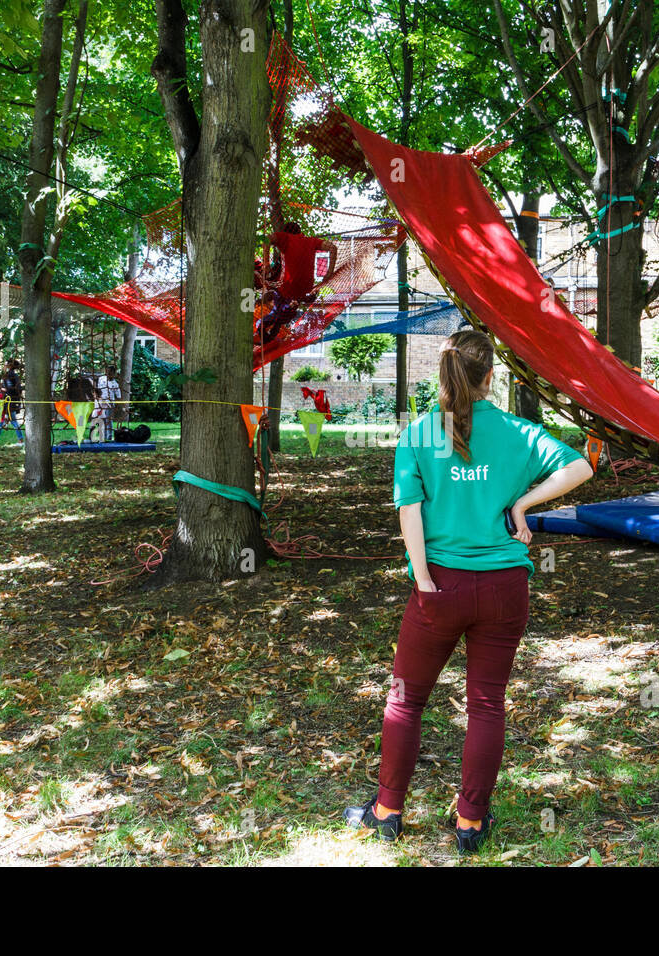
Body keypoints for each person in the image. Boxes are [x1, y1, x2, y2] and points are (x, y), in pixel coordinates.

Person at [343, 330, 595, 853]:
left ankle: (387, 810)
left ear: (444, 376)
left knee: (405, 699)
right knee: (486, 704)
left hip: (441, 584)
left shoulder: (419, 434)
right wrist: (524, 505)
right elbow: (581, 467)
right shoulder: (519, 432)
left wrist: (423, 579)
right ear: (489, 377)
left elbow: (409, 511)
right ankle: (470, 823)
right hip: (505, 589)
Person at [256, 216, 338, 346]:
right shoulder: (311, 241)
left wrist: (266, 263)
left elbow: (267, 240)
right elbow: (333, 248)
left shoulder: (285, 237)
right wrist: (329, 273)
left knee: (272, 301)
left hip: (288, 287)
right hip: (306, 288)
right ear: (300, 232)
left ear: (286, 232)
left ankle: (262, 329)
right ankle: (272, 330)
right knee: (282, 312)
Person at [93, 365, 121, 443]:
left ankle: (109, 437)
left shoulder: (115, 384)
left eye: (111, 372)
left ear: (113, 373)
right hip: (101, 403)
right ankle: (102, 437)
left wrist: (116, 406)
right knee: (100, 420)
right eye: (107, 371)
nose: (108, 373)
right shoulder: (101, 379)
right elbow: (97, 390)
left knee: (108, 420)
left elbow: (118, 396)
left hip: (109, 404)